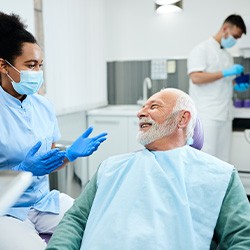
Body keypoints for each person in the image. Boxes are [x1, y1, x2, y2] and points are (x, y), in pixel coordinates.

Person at [46, 88, 250, 250]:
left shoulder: (219, 175)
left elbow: (242, 237)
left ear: (182, 118)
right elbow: (76, 220)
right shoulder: (111, 168)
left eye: (154, 106)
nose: (140, 113)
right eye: (143, 107)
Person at [0, 12, 107, 250]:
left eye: (40, 65)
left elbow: (48, 159)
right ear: (3, 66)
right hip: (6, 211)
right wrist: (22, 171)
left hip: (43, 202)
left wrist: (67, 155)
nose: (37, 72)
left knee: (100, 225)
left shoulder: (43, 105)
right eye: (30, 65)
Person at [188, 14, 247, 162]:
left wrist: (237, 84)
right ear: (225, 28)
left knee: (223, 160)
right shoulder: (201, 49)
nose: (235, 41)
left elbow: (224, 81)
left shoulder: (228, 56)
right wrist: (225, 72)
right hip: (207, 114)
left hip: (225, 114)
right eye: (235, 36)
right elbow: (196, 77)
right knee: (206, 158)